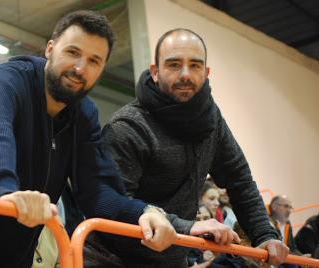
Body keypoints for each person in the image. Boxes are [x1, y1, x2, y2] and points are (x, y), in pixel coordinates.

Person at [0, 10, 176, 268]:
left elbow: (97, 190)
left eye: (93, 61)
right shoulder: (5, 81)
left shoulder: (84, 115)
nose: (79, 68)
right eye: (73, 52)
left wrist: (145, 212)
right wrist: (5, 191)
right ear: (50, 49)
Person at [95, 28, 289, 267]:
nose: (185, 74)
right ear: (155, 72)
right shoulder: (128, 126)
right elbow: (111, 203)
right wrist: (189, 227)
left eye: (195, 65)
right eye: (174, 64)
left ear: (206, 73)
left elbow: (239, 179)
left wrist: (265, 235)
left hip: (173, 259)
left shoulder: (212, 118)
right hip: (113, 260)